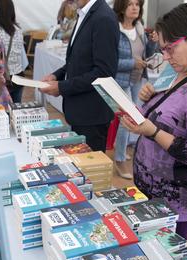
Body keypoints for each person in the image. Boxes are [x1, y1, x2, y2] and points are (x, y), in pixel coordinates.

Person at [120, 3, 187, 240]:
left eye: (170, 49)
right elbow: (170, 114)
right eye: (163, 50)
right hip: (153, 193)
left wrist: (152, 132)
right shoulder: (180, 71)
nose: (167, 57)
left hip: (176, 204)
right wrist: (150, 99)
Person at [40, 0, 119, 152]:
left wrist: (62, 87)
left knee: (89, 171)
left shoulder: (103, 18)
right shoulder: (84, 14)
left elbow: (103, 72)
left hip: (92, 115)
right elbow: (77, 61)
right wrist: (56, 76)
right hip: (80, 111)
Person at [112, 0, 156, 179]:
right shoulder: (114, 29)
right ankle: (120, 160)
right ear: (122, 7)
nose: (135, 7)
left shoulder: (139, 26)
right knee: (127, 118)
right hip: (120, 80)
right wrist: (132, 63)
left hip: (138, 78)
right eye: (130, 4)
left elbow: (147, 53)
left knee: (138, 116)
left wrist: (153, 43)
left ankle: (123, 148)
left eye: (137, 4)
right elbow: (110, 61)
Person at [0, 0, 29, 103]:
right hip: (18, 76)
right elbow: (22, 59)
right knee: (16, 109)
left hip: (3, 78)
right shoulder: (18, 30)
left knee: (3, 113)